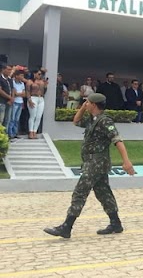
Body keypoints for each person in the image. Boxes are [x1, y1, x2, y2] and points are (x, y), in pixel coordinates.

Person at [43, 93, 134, 239]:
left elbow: (117, 140)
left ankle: (66, 227)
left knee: (80, 191)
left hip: (96, 163)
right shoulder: (93, 120)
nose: (86, 103)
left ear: (94, 104)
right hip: (92, 163)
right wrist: (83, 108)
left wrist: (126, 161)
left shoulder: (105, 121)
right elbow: (76, 121)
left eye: (88, 102)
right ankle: (116, 223)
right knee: (103, 192)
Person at [26, 69, 47, 139]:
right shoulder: (30, 81)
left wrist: (45, 86)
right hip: (33, 98)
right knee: (33, 116)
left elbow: (44, 91)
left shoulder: (42, 81)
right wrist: (29, 100)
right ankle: (30, 131)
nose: (40, 75)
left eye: (41, 74)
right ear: (34, 74)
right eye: (38, 74)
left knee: (39, 116)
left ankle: (35, 131)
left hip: (40, 98)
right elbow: (28, 91)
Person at [8, 70, 26, 139]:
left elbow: (24, 94)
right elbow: (14, 93)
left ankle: (15, 133)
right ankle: (10, 133)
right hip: (14, 102)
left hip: (20, 102)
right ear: (16, 76)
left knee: (17, 119)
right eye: (21, 75)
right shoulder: (12, 82)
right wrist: (18, 94)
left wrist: (18, 94)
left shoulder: (22, 83)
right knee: (12, 118)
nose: (22, 77)